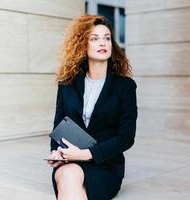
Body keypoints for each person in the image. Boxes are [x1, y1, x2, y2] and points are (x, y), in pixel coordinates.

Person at [46, 14, 138, 200]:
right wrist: (57, 153)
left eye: (107, 38)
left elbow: (126, 137)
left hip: (105, 164)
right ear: (83, 45)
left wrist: (86, 154)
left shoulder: (125, 86)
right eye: (94, 39)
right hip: (70, 158)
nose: (102, 42)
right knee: (68, 174)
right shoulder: (67, 84)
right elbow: (59, 127)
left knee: (69, 180)